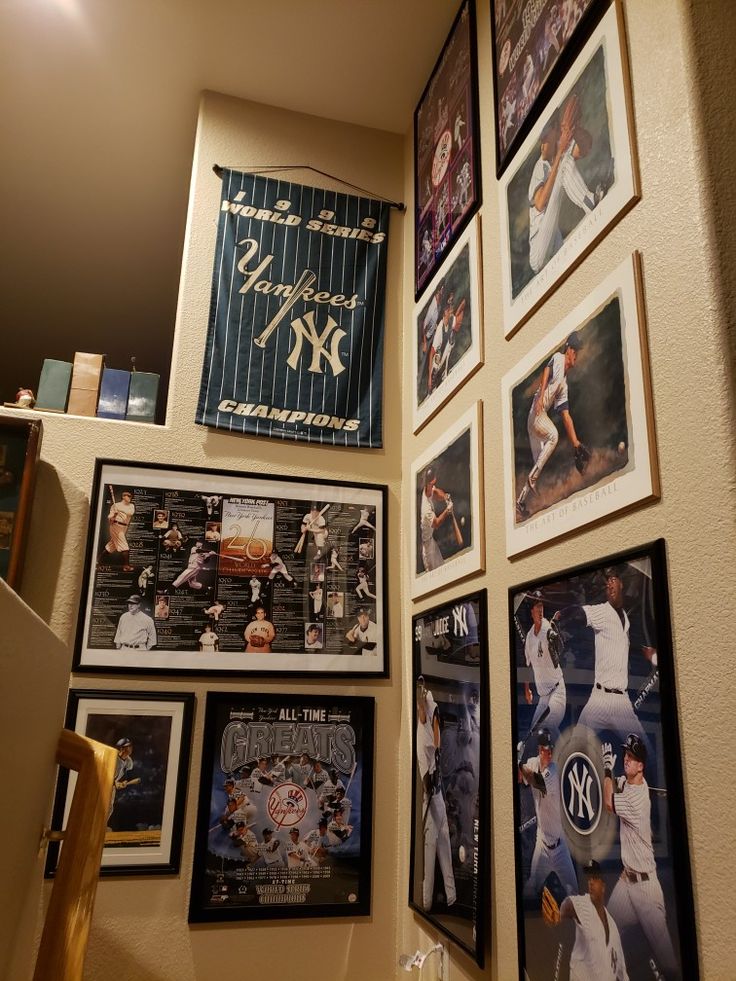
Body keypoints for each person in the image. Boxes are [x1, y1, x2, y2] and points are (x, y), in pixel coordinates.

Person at [602, 734, 679, 977]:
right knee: (606, 927)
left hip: (646, 888)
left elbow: (608, 801)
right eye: (626, 755)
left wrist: (606, 769)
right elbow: (620, 783)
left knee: (668, 962)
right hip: (627, 882)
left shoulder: (636, 799)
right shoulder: (634, 784)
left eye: (632, 758)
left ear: (641, 766)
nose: (626, 760)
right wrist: (616, 778)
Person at [554, 567, 655, 741]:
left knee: (645, 752)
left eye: (613, 580)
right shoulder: (602, 611)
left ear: (621, 584)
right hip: (599, 699)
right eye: (607, 582)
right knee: (576, 747)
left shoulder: (625, 618)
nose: (609, 584)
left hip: (621, 702)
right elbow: (579, 611)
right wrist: (561, 615)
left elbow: (621, 645)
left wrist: (643, 650)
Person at [528, 94, 601, 275]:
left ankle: (590, 201)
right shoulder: (541, 166)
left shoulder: (560, 149)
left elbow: (585, 148)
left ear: (555, 133)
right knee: (564, 163)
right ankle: (590, 202)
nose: (543, 145)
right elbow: (540, 203)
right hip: (539, 249)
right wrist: (560, 153)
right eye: (542, 140)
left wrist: (573, 129)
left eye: (546, 138)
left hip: (555, 244)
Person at [516, 331, 584, 519]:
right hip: (536, 415)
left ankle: (520, 502)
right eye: (575, 349)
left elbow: (566, 416)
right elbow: (547, 370)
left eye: (577, 350)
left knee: (537, 466)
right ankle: (530, 481)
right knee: (554, 436)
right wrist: (541, 394)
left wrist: (576, 443)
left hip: (536, 422)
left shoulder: (564, 385)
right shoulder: (559, 358)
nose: (576, 353)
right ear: (568, 349)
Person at [517, 728, 578, 898]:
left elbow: (537, 781)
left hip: (560, 848)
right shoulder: (533, 762)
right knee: (529, 890)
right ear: (539, 750)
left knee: (575, 894)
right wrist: (515, 759)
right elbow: (519, 778)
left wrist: (520, 764)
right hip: (542, 845)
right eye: (545, 750)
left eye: (551, 749)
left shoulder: (555, 770)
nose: (549, 753)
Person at [416, 676, 456, 911]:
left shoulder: (429, 702)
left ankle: (451, 897)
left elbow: (436, 725)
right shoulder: (419, 742)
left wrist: (439, 754)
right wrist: (430, 781)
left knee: (444, 845)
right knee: (432, 847)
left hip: (438, 794)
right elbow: (426, 782)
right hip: (429, 798)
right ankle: (427, 902)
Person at [555, 860, 629, 981]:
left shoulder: (612, 926)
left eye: (594, 878)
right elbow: (568, 904)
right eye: (588, 879)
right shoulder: (584, 904)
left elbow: (622, 973)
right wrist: (559, 914)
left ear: (603, 887)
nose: (590, 882)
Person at [523, 590, 566, 734]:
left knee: (548, 728)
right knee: (533, 733)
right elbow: (527, 666)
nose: (540, 609)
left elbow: (559, 647)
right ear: (531, 611)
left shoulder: (547, 627)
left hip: (556, 691)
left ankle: (564, 755)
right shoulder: (529, 638)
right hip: (543, 698)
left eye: (541, 606)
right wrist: (527, 689)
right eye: (537, 606)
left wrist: (555, 635)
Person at [420, 467, 455, 572]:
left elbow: (436, 493)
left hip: (432, 542)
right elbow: (436, 523)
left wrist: (445, 497)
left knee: (443, 570)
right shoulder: (425, 508)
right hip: (427, 549)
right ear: (433, 479)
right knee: (435, 577)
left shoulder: (429, 487)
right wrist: (447, 510)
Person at [102, 489, 135, 569]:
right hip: (115, 525)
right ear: (124, 497)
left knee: (111, 546)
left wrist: (120, 510)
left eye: (130, 496)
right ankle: (126, 565)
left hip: (124, 527)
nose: (130, 497)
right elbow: (109, 516)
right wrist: (114, 516)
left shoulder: (131, 506)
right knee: (125, 547)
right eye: (128, 496)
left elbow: (130, 513)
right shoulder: (116, 505)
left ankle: (98, 560)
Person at [108, 737, 136, 823]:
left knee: (109, 808)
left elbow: (127, 776)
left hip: (112, 786)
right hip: (103, 783)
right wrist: (115, 783)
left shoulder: (129, 761)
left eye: (130, 746)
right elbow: (106, 773)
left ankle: (100, 825)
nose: (130, 748)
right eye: (127, 746)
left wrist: (124, 781)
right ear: (121, 748)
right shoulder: (113, 758)